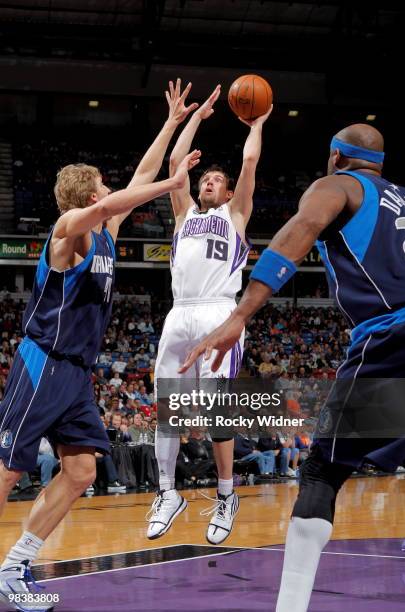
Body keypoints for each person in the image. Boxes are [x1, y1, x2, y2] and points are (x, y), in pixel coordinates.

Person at [180, 123, 405, 610]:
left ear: (335, 155)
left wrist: (240, 315)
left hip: (394, 335)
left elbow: (298, 232)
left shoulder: (339, 185)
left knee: (322, 474)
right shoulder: (404, 198)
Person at [0, 80, 200, 610]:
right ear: (92, 195)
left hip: (76, 374)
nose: (112, 187)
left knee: (83, 470)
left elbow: (140, 175)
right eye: (104, 185)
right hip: (42, 362)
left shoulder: (107, 226)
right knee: (7, 469)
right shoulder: (68, 230)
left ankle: (14, 567)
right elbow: (140, 189)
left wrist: (171, 123)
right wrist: (172, 185)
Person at [148, 81, 272, 544]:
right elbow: (174, 166)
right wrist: (193, 120)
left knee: (219, 410)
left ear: (227, 191)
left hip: (220, 313)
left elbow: (250, 162)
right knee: (168, 409)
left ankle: (225, 495)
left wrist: (256, 125)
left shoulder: (236, 215)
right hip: (180, 314)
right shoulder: (182, 216)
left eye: (216, 180)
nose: (209, 181)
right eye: (206, 179)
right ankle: (166, 493)